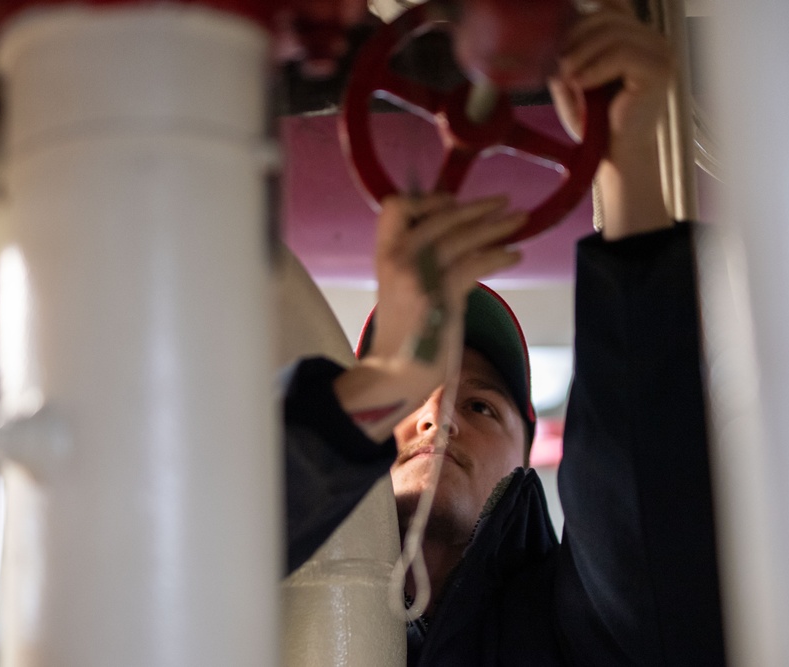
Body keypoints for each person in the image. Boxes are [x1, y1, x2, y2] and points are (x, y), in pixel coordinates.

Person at [282, 0, 726, 663]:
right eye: (412, 399)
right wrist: (381, 383)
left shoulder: (574, 624)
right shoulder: (268, 603)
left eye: (482, 405)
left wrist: (629, 170)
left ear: (527, 456)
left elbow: (640, 508)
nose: (438, 417)